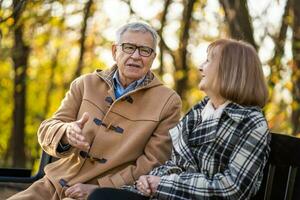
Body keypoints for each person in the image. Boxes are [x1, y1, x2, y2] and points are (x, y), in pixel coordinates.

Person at [8, 22, 182, 200]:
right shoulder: (85, 83)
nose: (136, 56)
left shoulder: (168, 102)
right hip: (52, 184)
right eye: (129, 47)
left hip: (105, 193)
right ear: (115, 51)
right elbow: (48, 128)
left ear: (153, 57)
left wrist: (100, 189)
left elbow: (153, 163)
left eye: (145, 50)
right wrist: (66, 132)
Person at [87, 38, 271, 200]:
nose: (200, 66)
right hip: (164, 194)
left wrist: (163, 185)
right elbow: (174, 165)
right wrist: (145, 182)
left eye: (208, 60)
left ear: (230, 70)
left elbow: (233, 188)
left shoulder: (252, 123)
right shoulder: (197, 113)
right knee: (101, 196)